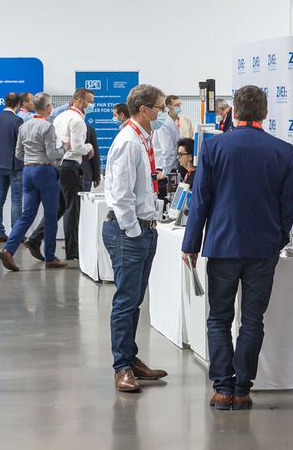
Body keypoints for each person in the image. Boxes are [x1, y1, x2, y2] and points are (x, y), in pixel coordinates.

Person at [182, 85, 293, 411]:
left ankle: (222, 389)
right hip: (263, 248)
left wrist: (191, 243)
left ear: (234, 111)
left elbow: (200, 198)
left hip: (221, 245)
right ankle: (243, 388)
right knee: (252, 320)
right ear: (264, 112)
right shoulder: (282, 149)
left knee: (219, 318)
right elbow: (289, 202)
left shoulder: (214, 146)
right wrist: (279, 237)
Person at [103, 84, 170, 393]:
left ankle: (131, 358)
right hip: (128, 231)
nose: (163, 113)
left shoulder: (143, 139)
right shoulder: (129, 142)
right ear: (145, 110)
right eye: (159, 107)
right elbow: (120, 195)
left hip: (144, 228)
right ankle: (122, 367)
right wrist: (133, 231)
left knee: (134, 300)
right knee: (126, 301)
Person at [0, 92, 69, 271]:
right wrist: (64, 149)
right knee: (50, 216)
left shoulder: (24, 126)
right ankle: (50, 257)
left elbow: (18, 154)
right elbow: (53, 154)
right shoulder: (47, 127)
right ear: (48, 108)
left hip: (27, 171)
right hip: (45, 171)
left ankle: (8, 249)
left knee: (26, 215)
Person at [25, 88, 94, 262]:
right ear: (78, 100)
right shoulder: (78, 120)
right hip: (70, 166)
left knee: (59, 207)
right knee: (72, 208)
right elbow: (77, 148)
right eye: (90, 101)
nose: (92, 105)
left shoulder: (60, 117)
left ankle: (34, 239)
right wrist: (89, 147)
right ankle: (72, 251)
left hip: (58, 166)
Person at [0, 92, 24, 243]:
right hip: (15, 165)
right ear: (18, 105)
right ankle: (16, 233)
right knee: (16, 200)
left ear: (5, 102)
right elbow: (20, 144)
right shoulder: (17, 121)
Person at [152, 95, 180, 199]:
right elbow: (168, 150)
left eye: (179, 104)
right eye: (176, 105)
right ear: (168, 106)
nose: (179, 107)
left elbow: (168, 151)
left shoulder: (166, 123)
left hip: (166, 171)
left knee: (163, 203)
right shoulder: (164, 123)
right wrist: (165, 172)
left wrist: (164, 173)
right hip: (165, 170)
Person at [81, 123, 101, 191]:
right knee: (83, 200)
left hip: (66, 173)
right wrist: (97, 177)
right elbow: (95, 155)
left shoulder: (62, 126)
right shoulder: (89, 129)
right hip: (85, 173)